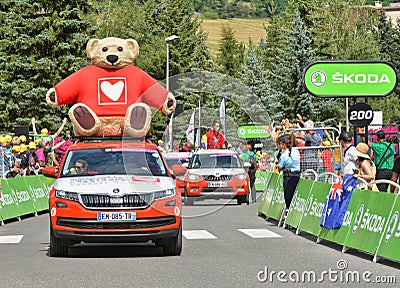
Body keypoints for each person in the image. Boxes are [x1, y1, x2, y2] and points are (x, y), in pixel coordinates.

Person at [277, 134, 301, 210]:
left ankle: (288, 212)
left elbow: (279, 168)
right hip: (297, 175)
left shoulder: (284, 155)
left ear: (284, 144)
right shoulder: (296, 151)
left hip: (288, 176)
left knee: (288, 197)